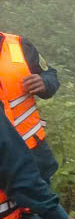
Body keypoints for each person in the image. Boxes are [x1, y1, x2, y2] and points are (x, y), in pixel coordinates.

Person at [0, 30, 62, 182]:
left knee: (43, 203)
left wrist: (44, 82)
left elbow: (50, 74)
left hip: (33, 152)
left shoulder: (19, 45)